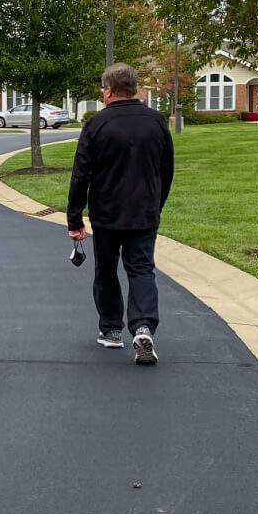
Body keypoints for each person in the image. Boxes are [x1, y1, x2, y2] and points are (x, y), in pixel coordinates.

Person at [66, 63, 174, 365]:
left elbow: (81, 175)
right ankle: (142, 326)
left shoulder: (97, 124)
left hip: (107, 213)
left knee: (107, 270)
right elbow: (167, 170)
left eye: (103, 89)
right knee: (141, 269)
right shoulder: (155, 122)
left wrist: (75, 218)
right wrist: (157, 203)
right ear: (134, 88)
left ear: (109, 90)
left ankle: (112, 330)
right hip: (144, 212)